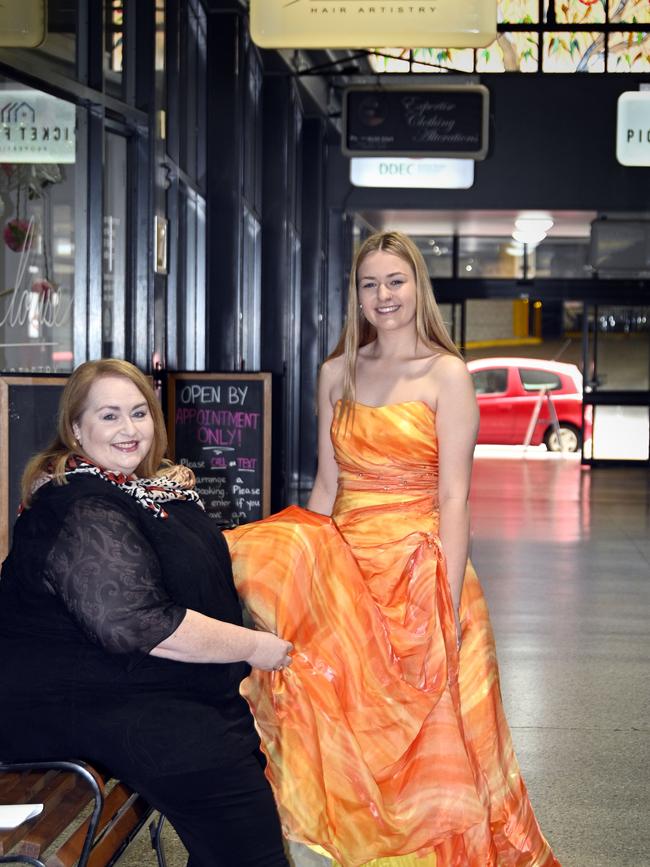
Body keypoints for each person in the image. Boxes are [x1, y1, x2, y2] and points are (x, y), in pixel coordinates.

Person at [226, 231, 561, 866]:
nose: (383, 295)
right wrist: (298, 573)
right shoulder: (336, 373)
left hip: (421, 576)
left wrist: (451, 599)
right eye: (369, 284)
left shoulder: (447, 375)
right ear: (355, 295)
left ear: (417, 288)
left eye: (395, 281)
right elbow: (326, 486)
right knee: (348, 725)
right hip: (347, 579)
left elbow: (455, 498)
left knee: (440, 743)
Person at [0, 358, 293, 867]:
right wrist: (256, 648)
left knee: (233, 749)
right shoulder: (77, 507)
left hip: (144, 686)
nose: (129, 429)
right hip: (83, 701)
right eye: (109, 416)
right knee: (235, 809)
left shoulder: (151, 490)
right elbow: (143, 624)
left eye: (139, 413)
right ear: (75, 427)